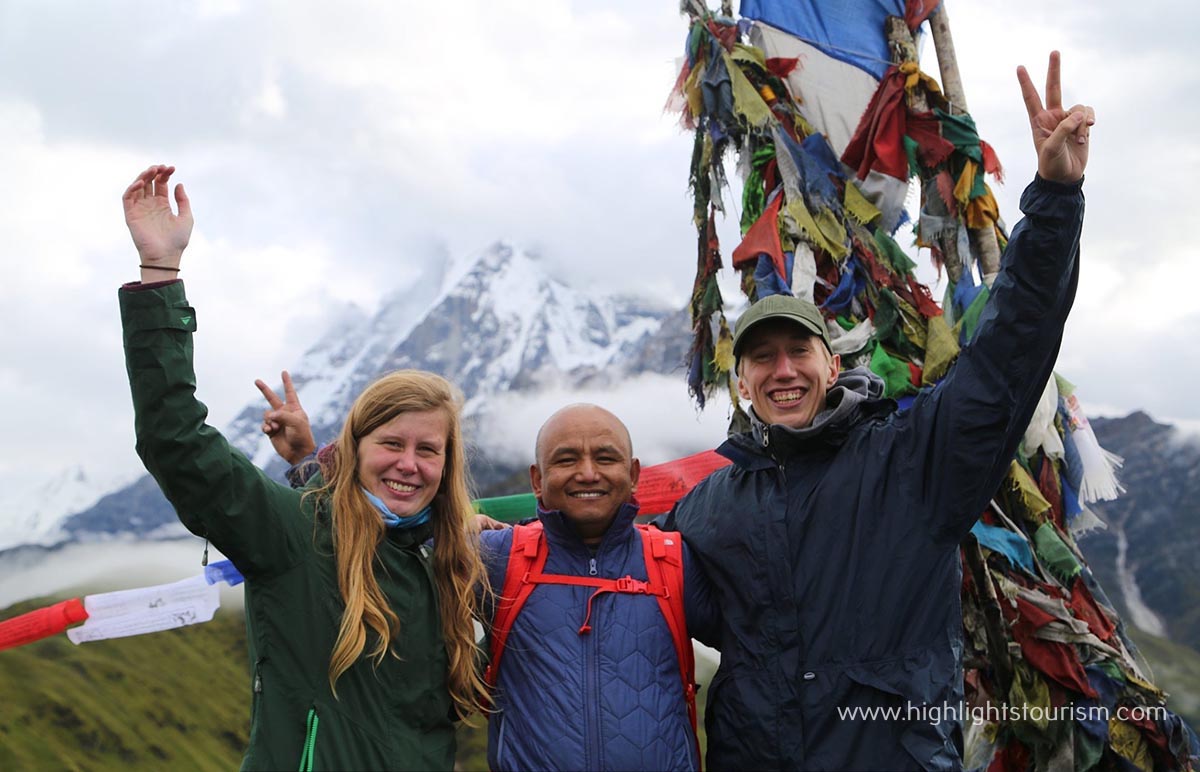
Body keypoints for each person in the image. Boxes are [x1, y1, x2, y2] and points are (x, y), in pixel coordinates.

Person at [663, 52, 1094, 770]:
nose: (783, 371)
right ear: (741, 383)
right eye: (761, 359)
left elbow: (1006, 361)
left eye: (798, 351)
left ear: (833, 363)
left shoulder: (911, 458)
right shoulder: (708, 509)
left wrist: (1052, 200)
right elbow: (619, 565)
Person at [120, 165, 489, 771]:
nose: (409, 464)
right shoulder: (292, 532)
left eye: (429, 451)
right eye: (390, 443)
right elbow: (174, 439)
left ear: (447, 466)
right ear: (355, 448)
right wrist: (160, 274)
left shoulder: (453, 563)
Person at [268, 401, 720, 770]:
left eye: (605, 458)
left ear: (634, 474)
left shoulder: (675, 561)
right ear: (537, 481)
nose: (587, 473)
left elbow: (762, 647)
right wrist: (310, 459)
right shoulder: (499, 557)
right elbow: (388, 532)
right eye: (566, 459)